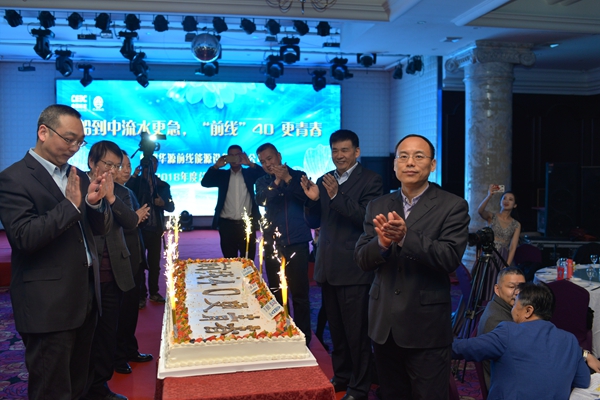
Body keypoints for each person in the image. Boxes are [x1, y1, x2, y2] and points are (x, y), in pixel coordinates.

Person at [0, 104, 113, 399]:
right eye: (69, 139)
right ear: (43, 132)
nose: (74, 148)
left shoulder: (78, 176)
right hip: (47, 305)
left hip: (85, 297)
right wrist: (70, 207)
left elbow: (98, 231)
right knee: (52, 389)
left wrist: (93, 205)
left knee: (78, 384)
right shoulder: (14, 178)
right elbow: (24, 237)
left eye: (80, 142)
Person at [354, 134, 470, 400]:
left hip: (426, 327)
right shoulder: (378, 205)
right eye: (403, 156)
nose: (410, 162)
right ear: (395, 164)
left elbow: (449, 258)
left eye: (419, 156)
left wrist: (406, 238)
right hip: (384, 326)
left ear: (432, 165)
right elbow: (361, 259)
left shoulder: (452, 206)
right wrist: (381, 243)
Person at [302, 129, 383, 400]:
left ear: (356, 152)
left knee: (357, 334)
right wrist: (312, 201)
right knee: (336, 331)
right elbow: (315, 221)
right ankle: (342, 376)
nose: (339, 156)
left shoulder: (371, 180)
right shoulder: (325, 179)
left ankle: (360, 386)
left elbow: (366, 219)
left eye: (345, 150)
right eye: (335, 150)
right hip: (327, 266)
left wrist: (337, 197)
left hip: (354, 268)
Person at [452, 282, 591, 400]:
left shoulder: (509, 332)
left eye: (514, 304)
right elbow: (584, 381)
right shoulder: (570, 340)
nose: (512, 309)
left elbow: (464, 348)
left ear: (528, 311)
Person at [477, 267, 600, 391]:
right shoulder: (497, 321)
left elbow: (545, 339)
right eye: (511, 286)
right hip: (512, 387)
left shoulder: (513, 310)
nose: (517, 291)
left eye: (522, 286)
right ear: (497, 289)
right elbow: (537, 352)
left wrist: (583, 354)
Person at [84, 141, 139, 400]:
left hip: (114, 272)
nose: (112, 170)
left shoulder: (121, 192)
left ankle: (100, 388)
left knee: (107, 336)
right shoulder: (75, 186)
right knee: (85, 338)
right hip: (85, 275)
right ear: (91, 163)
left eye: (116, 166)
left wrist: (111, 197)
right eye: (108, 164)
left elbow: (131, 221)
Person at [255, 143, 312, 344]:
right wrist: (277, 181)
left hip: (297, 242)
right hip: (273, 244)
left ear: (279, 156)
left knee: (300, 293)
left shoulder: (299, 176)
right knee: (276, 291)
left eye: (270, 158)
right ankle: (279, 334)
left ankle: (304, 337)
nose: (267, 164)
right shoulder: (262, 181)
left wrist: (287, 179)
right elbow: (262, 200)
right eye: (263, 161)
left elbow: (305, 198)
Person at [113, 150, 153, 375]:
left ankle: (130, 349)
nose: (127, 170)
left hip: (135, 257)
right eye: (122, 166)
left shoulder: (128, 191)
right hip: (120, 260)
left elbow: (136, 223)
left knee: (131, 311)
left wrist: (141, 218)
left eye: (129, 166)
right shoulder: (109, 194)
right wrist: (134, 218)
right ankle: (117, 356)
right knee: (119, 313)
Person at [200, 145, 266, 260]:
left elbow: (266, 176)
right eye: (231, 156)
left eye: (237, 155)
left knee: (248, 260)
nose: (235, 158)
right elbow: (205, 182)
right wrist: (216, 166)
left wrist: (250, 164)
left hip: (247, 224)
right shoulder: (222, 175)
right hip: (227, 225)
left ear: (243, 156)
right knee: (229, 261)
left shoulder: (249, 173)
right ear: (227, 158)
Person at [126, 155, 175, 306]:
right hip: (139, 230)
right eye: (147, 164)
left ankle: (154, 292)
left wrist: (163, 203)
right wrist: (134, 176)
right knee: (139, 264)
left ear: (157, 166)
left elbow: (171, 207)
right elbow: (126, 192)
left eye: (153, 164)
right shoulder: (136, 183)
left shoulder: (163, 186)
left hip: (155, 230)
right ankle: (141, 295)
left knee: (155, 264)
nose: (151, 167)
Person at [477, 185, 521, 266]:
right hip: (489, 254)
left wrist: (506, 265)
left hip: (502, 257)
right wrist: (489, 196)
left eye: (510, 199)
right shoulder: (492, 216)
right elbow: (480, 211)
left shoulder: (516, 224)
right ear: (500, 202)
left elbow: (512, 247)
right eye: (504, 198)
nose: (506, 201)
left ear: (515, 205)